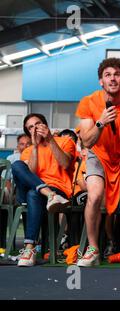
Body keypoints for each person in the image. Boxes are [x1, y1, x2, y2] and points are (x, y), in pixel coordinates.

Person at [76, 58, 120, 268]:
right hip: (99, 155)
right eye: (108, 75)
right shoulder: (88, 102)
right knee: (95, 195)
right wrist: (101, 122)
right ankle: (93, 249)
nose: (113, 79)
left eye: (116, 74)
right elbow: (87, 141)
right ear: (101, 81)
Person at [12, 113, 75, 266]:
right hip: (36, 190)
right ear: (28, 132)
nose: (35, 129)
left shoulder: (65, 141)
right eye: (30, 127)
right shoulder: (28, 150)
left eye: (38, 124)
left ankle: (29, 248)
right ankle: (49, 194)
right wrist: (34, 146)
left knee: (34, 193)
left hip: (59, 188)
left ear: (45, 125)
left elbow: (65, 164)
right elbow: (31, 175)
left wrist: (50, 139)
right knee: (17, 166)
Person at [3, 134, 31, 203]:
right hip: (16, 188)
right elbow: (6, 178)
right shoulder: (11, 158)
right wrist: (10, 192)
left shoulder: (36, 157)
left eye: (28, 144)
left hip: (31, 187)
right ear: (18, 147)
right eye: (22, 144)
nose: (25, 146)